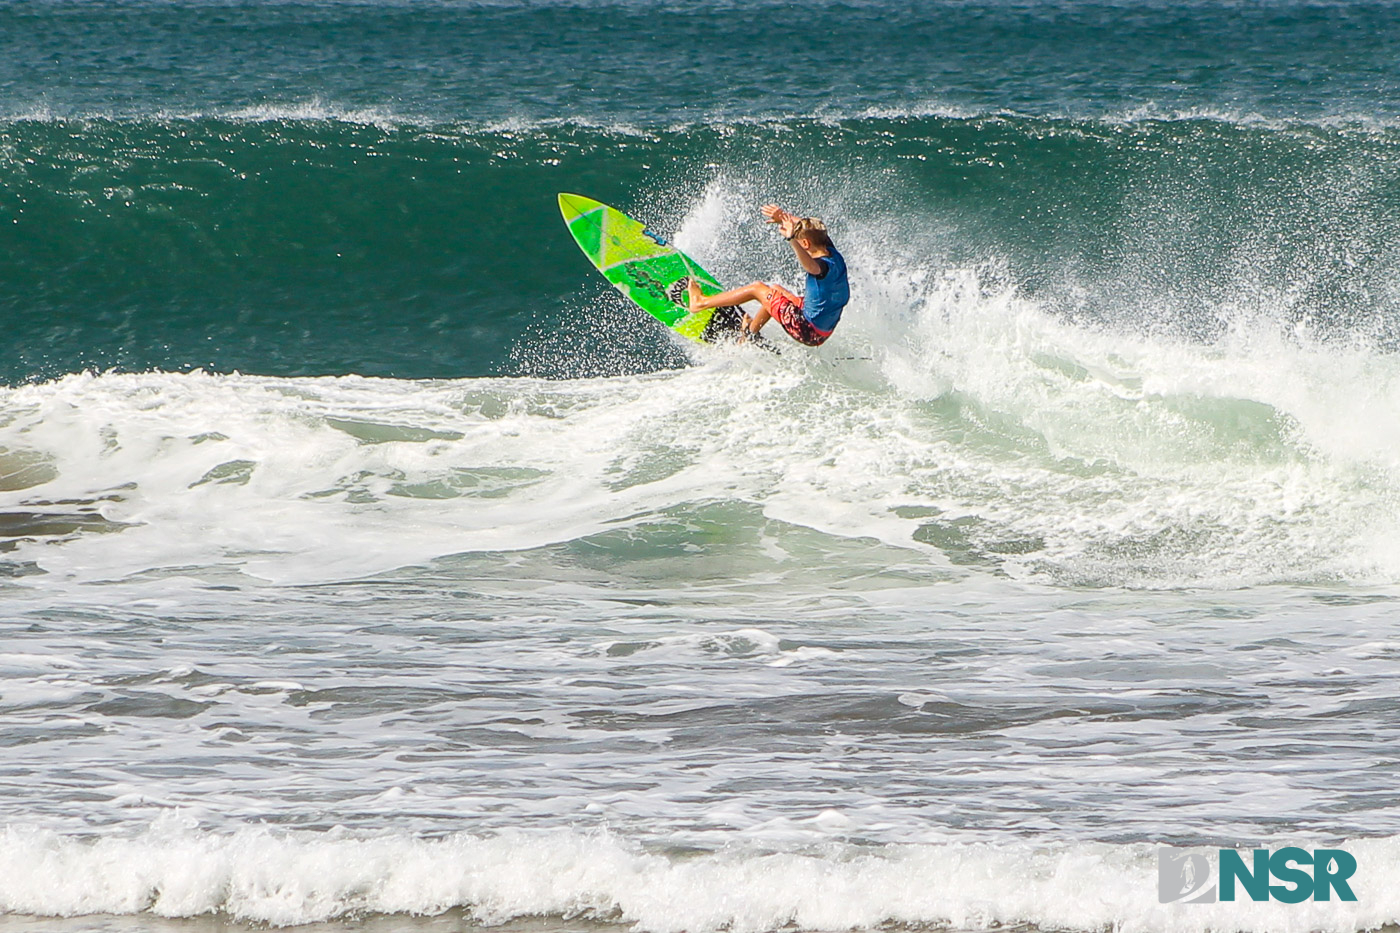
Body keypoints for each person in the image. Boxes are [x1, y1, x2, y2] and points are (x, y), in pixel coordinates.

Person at [686, 204, 849, 346]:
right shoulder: (830, 250)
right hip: (823, 330)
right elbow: (813, 230)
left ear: (805, 244)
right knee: (774, 291)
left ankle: (700, 303)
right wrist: (784, 217)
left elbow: (811, 266)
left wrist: (791, 239)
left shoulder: (820, 267)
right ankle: (750, 333)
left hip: (806, 330)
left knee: (756, 288)